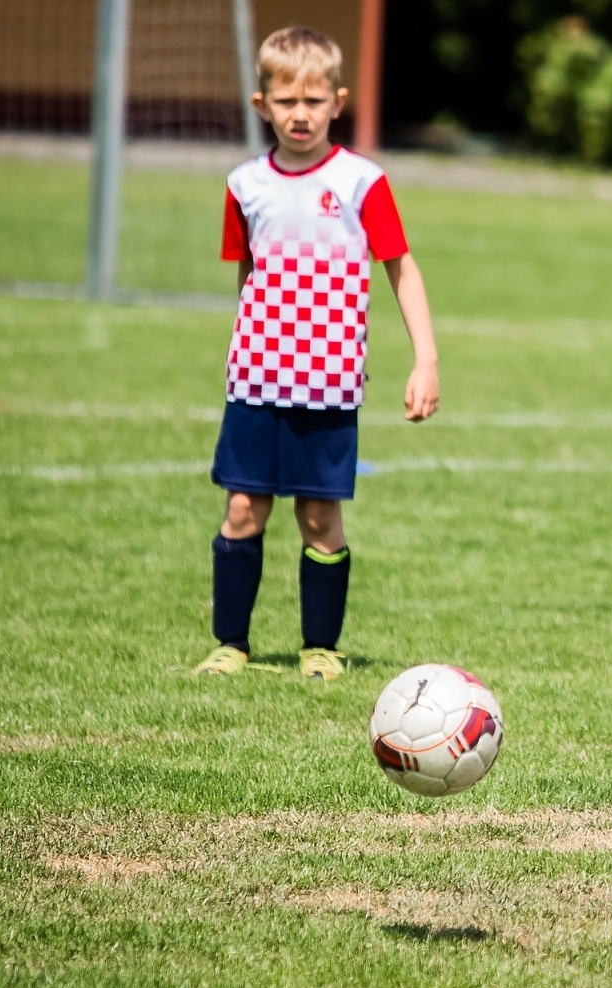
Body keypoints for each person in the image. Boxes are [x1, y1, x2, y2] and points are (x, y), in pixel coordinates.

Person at [192, 26, 440, 680]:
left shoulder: (362, 182)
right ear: (261, 105)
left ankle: (319, 648)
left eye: (313, 100)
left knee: (319, 515)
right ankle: (231, 645)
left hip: (327, 386)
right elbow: (246, 274)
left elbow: (401, 268)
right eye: (285, 100)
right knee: (243, 508)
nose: (299, 113)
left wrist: (427, 359)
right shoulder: (245, 185)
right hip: (256, 382)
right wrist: (240, 348)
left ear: (338, 101)